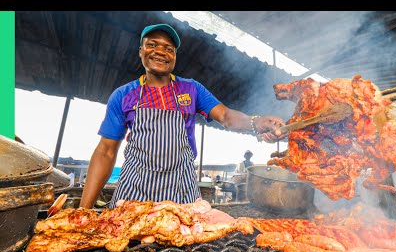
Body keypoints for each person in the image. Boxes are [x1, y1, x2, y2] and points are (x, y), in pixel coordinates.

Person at [79, 23, 287, 209]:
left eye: (169, 49)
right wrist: (82, 211)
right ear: (140, 51)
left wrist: (258, 122)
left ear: (175, 57)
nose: (160, 52)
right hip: (134, 194)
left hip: (181, 195)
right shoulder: (124, 95)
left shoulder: (191, 89)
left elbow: (226, 116)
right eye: (152, 45)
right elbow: (106, 152)